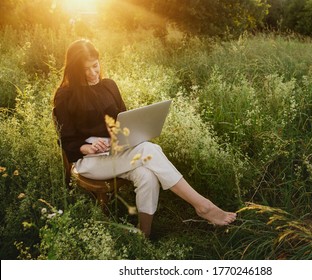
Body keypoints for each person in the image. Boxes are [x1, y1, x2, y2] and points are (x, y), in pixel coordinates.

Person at [53, 39, 236, 237]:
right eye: (85, 69)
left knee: (146, 176)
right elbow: (66, 139)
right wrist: (84, 148)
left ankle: (144, 235)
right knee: (149, 149)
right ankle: (203, 206)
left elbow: (124, 120)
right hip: (89, 161)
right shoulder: (65, 96)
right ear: (73, 70)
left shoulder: (109, 86)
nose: (92, 73)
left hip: (116, 152)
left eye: (95, 65)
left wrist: (125, 137)